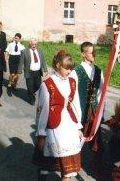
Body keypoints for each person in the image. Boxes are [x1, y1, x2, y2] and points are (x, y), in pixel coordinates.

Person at [33, 50, 83, 181]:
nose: (69, 71)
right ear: (58, 65)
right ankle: (43, 174)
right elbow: (42, 110)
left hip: (69, 125)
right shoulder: (47, 84)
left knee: (68, 169)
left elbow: (75, 104)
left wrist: (78, 126)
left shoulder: (72, 81)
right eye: (66, 68)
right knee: (49, 162)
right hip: (54, 127)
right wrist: (41, 132)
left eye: (71, 68)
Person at [69, 42, 104, 179]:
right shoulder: (76, 71)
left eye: (94, 52)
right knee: (77, 140)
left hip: (94, 112)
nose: (93, 54)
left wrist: (101, 111)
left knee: (97, 140)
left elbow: (101, 92)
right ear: (83, 54)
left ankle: (97, 169)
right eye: (90, 52)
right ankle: (71, 167)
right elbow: (71, 94)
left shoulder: (98, 71)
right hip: (81, 112)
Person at [18, 38, 48, 105]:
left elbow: (43, 61)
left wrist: (45, 70)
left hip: (37, 72)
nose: (34, 46)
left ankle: (31, 92)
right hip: (29, 72)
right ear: (30, 44)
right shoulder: (24, 51)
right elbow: (21, 62)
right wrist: (19, 71)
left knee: (38, 85)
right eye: (33, 44)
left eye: (35, 44)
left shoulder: (40, 51)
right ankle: (32, 99)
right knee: (30, 86)